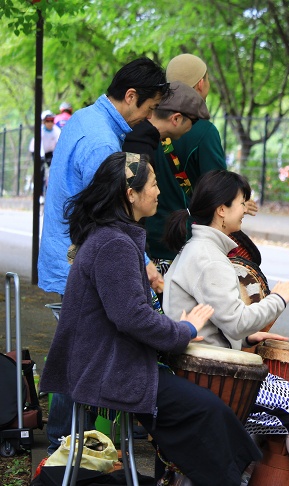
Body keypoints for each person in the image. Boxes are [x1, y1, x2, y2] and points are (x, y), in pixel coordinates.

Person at [40, 152, 260, 486]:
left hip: (109, 363)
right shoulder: (114, 243)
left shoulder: (112, 236)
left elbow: (129, 314)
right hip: (108, 370)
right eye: (154, 184)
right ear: (132, 194)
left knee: (202, 408)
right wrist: (183, 330)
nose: (159, 192)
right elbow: (132, 317)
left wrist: (178, 330)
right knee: (206, 409)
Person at [162, 170, 289, 486]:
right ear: (222, 209)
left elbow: (218, 320)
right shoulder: (209, 258)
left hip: (201, 368)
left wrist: (248, 337)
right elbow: (235, 319)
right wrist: (279, 298)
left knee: (287, 402)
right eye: (241, 203)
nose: (245, 209)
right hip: (211, 377)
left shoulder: (198, 249)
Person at [38, 57, 170, 454]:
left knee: (77, 346)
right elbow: (115, 212)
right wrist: (146, 266)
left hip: (71, 254)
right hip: (80, 260)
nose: (147, 118)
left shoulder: (83, 118)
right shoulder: (101, 142)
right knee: (84, 354)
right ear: (131, 96)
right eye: (147, 109)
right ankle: (64, 443)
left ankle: (65, 440)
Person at [136, 53, 259, 280]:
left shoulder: (145, 121)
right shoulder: (203, 130)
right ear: (201, 83)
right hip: (185, 242)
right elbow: (216, 187)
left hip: (145, 243)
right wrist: (236, 200)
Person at [123, 80, 211, 158]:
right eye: (194, 121)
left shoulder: (135, 134)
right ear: (176, 119)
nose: (192, 127)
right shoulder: (141, 149)